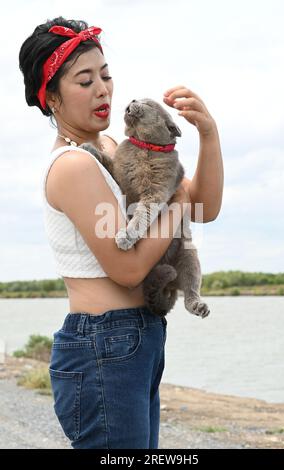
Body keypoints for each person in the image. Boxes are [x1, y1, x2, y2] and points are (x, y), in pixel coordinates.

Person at [19, 16, 223, 449]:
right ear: (52, 97)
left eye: (106, 75)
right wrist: (177, 199)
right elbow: (127, 268)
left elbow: (205, 205)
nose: (103, 89)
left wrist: (207, 133)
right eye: (84, 80)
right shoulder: (74, 165)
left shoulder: (115, 149)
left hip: (135, 338)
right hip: (102, 345)